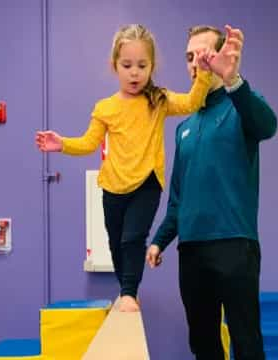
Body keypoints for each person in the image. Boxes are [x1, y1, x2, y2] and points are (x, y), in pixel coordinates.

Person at [36, 24, 223, 312]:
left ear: (151, 66)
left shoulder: (157, 99)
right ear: (115, 66)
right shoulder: (105, 108)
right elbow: (89, 143)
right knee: (116, 242)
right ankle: (128, 289)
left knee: (133, 237)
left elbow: (192, 102)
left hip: (147, 182)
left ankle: (128, 291)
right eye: (127, 65)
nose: (134, 72)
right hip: (113, 185)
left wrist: (204, 72)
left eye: (142, 65)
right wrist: (62, 144)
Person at [146, 25, 277, 360]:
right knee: (203, 342)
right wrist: (160, 239)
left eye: (204, 54)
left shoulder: (241, 106)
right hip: (192, 251)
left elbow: (268, 125)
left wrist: (233, 81)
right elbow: (178, 197)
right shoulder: (185, 127)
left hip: (235, 244)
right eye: (189, 57)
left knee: (246, 341)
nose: (195, 63)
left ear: (222, 57)